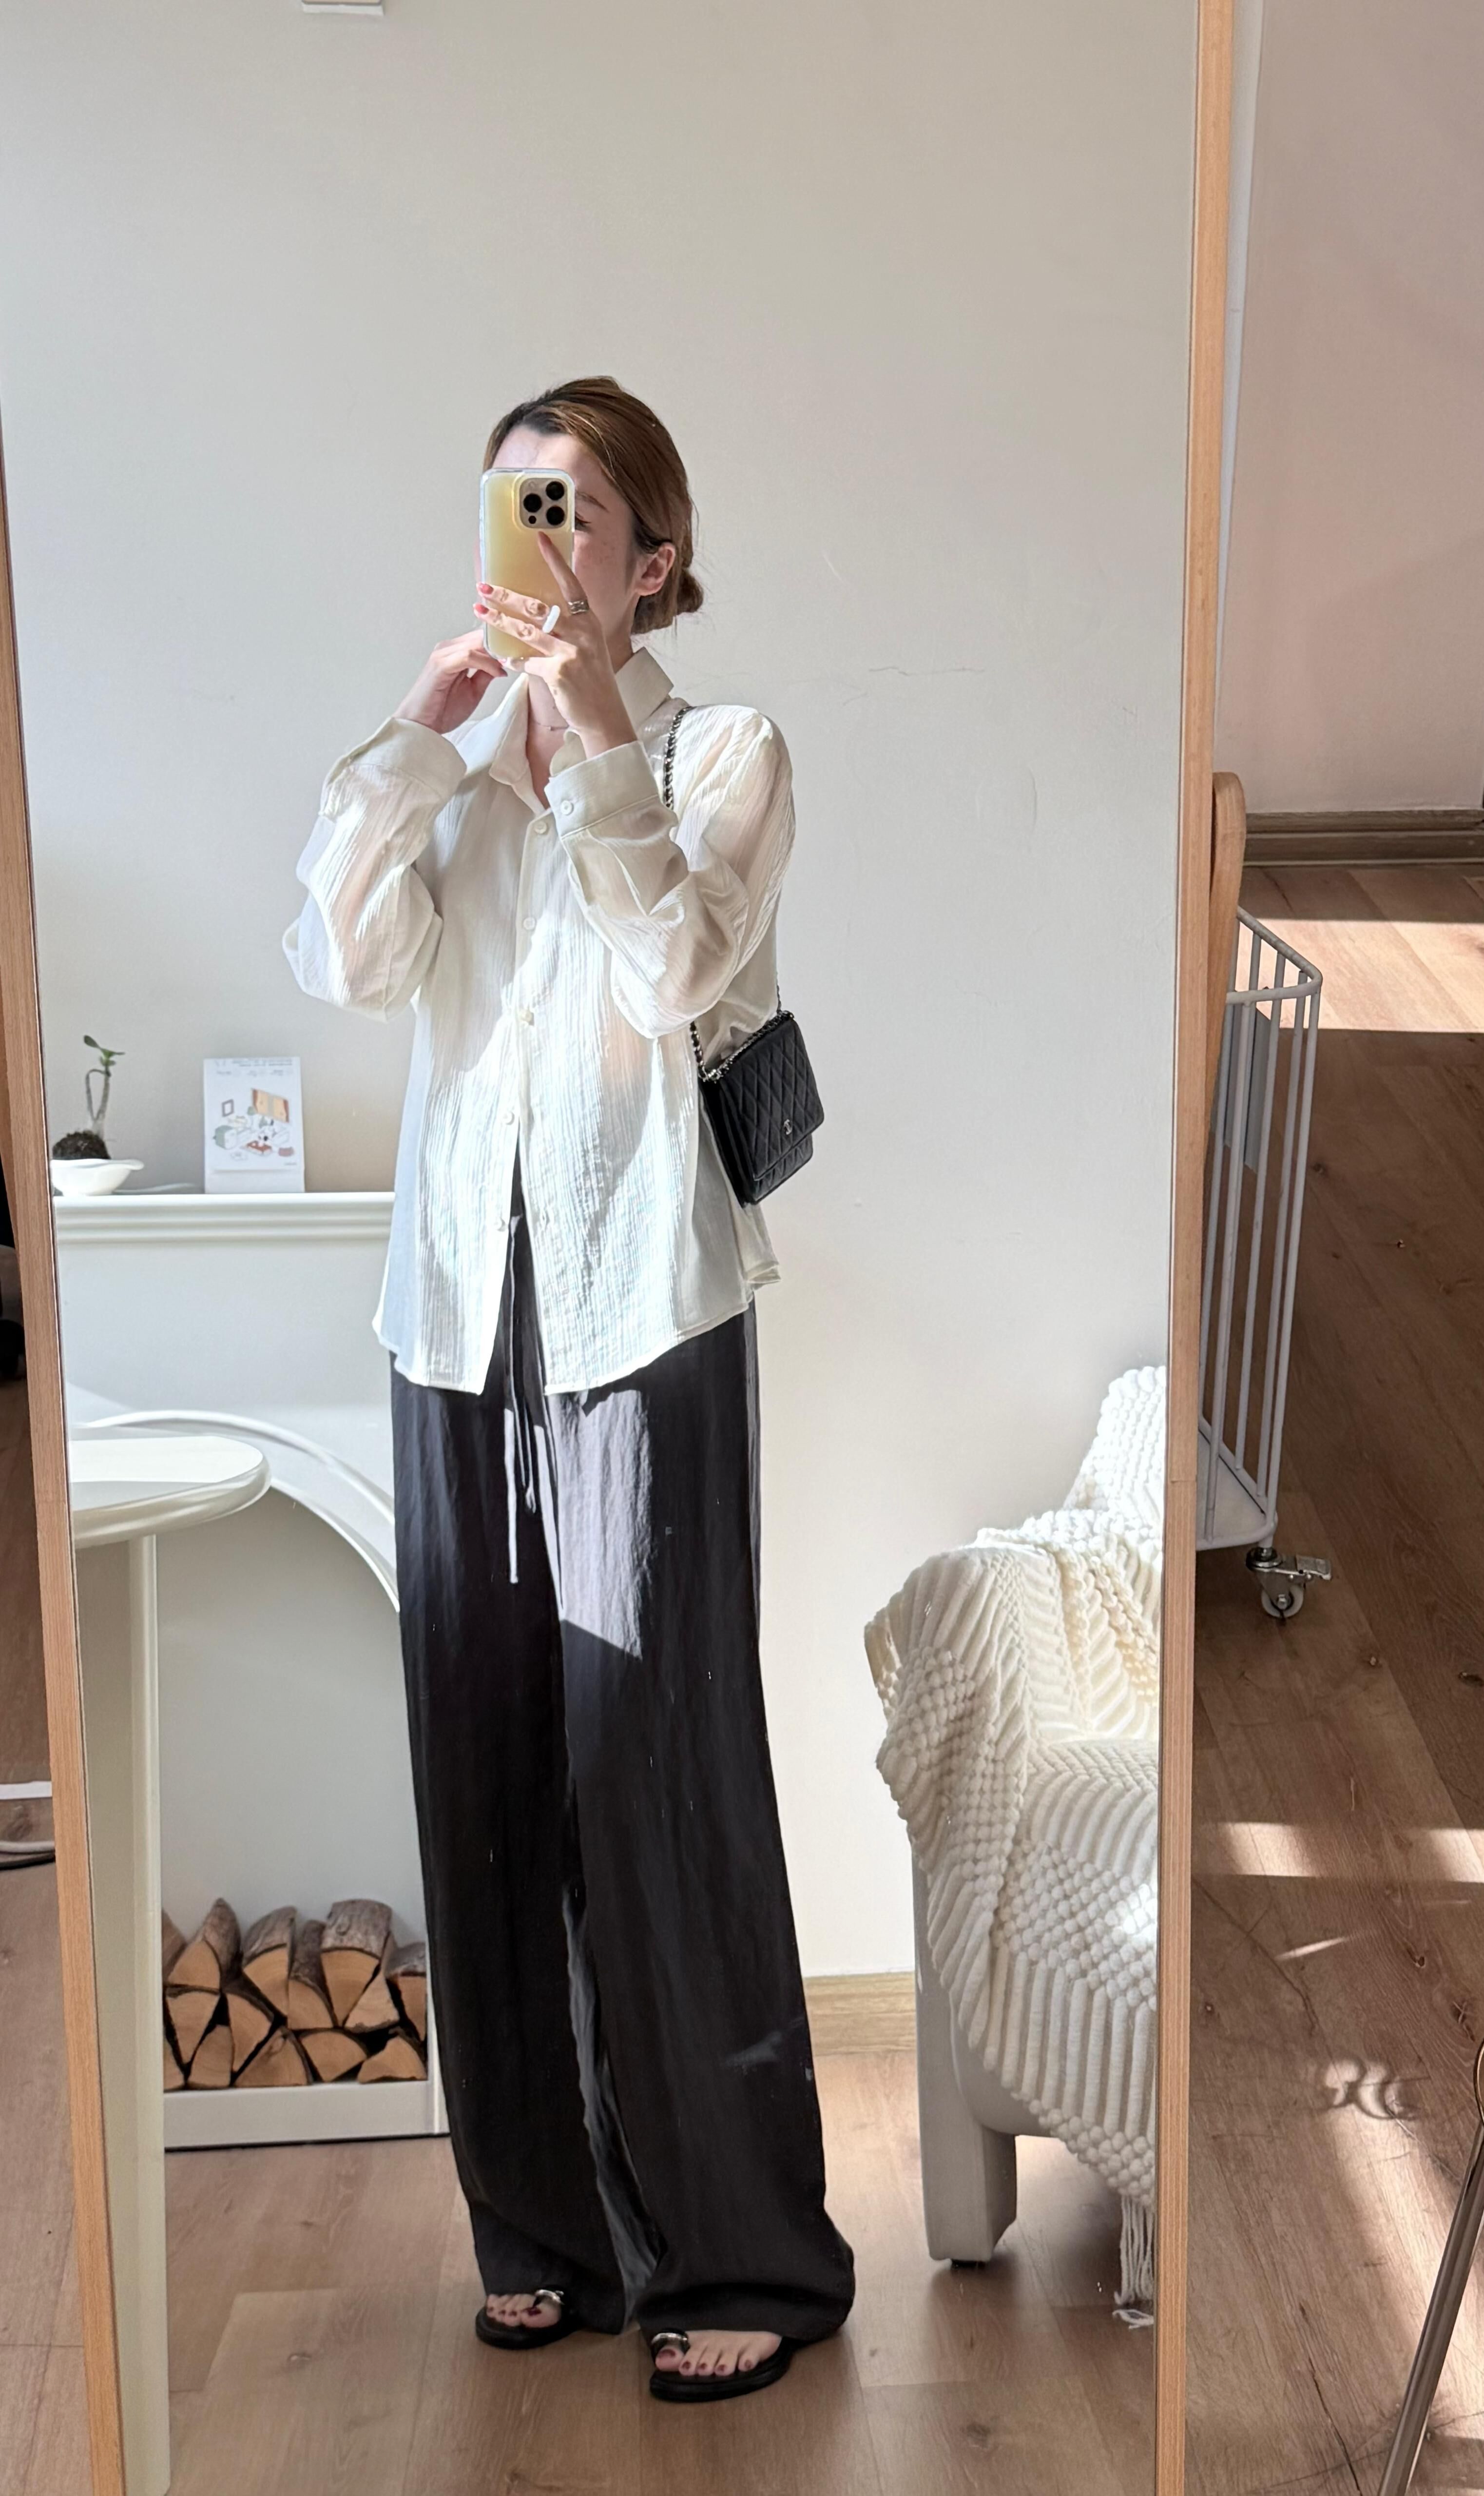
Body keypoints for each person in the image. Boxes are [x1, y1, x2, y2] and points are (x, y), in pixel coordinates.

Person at [285, 374, 854, 2402]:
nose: (535, 537)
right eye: (510, 504)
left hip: (642, 1318)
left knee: (656, 1771)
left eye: (574, 508)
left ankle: (745, 2250)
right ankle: (546, 2226)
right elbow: (337, 959)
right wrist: (425, 732)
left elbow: (678, 967)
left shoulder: (719, 753)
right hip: (454, 1319)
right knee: (486, 1765)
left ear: (654, 557)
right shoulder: (454, 786)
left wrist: (592, 729)